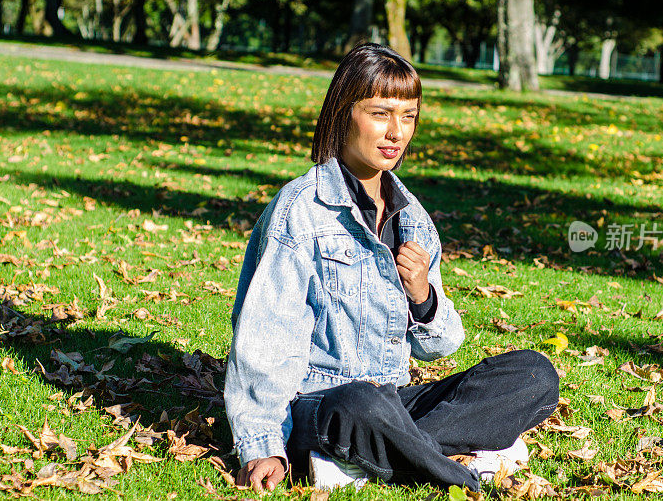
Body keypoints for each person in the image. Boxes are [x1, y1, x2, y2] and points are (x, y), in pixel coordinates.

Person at [223, 42, 559, 494]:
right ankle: (456, 470)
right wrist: (263, 445)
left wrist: (423, 297)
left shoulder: (413, 217)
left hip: (395, 402)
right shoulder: (299, 211)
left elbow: (441, 346)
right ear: (345, 113)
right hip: (320, 405)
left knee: (533, 376)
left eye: (409, 116)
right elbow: (264, 339)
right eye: (381, 113)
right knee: (362, 403)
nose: (396, 132)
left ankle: (361, 462)